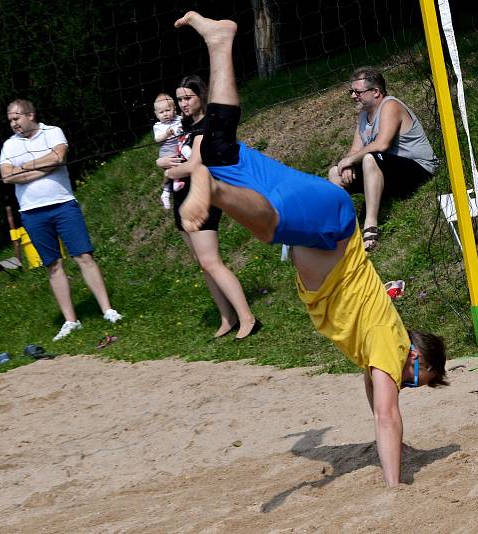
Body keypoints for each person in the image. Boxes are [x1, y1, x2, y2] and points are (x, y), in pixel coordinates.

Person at [173, 11, 448, 487]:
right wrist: (394, 485)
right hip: (332, 223)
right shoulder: (390, 342)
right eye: (413, 379)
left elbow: (373, 395)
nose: (402, 386)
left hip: (316, 222)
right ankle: (212, 189)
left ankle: (220, 41)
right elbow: (386, 417)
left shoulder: (376, 346)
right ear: (415, 355)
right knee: (267, 228)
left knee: (217, 144)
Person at [0, 99, 122, 341]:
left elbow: (58, 157)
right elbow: (6, 176)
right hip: (31, 211)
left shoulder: (52, 132)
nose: (13, 124)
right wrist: (43, 166)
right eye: (10, 120)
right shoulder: (8, 145)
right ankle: (70, 321)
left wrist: (24, 167)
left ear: (30, 115)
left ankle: (108, 310)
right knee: (52, 265)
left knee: (84, 256)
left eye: (17, 118)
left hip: (63, 205)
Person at [155, 76, 259, 339]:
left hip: (202, 197)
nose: (183, 103)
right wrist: (164, 164)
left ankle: (248, 318)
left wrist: (169, 170)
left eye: (188, 97)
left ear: (201, 96)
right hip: (182, 198)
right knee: (203, 264)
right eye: (179, 99)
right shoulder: (182, 127)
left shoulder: (206, 125)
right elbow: (171, 158)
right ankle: (228, 317)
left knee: (212, 261)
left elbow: (194, 165)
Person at [327, 67, 438, 251]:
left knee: (370, 158)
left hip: (419, 169)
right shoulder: (363, 116)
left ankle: (370, 224)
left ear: (376, 92)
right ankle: (346, 232)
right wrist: (346, 165)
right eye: (351, 92)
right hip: (389, 172)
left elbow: (382, 144)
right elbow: (354, 150)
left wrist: (351, 160)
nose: (353, 96)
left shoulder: (390, 105)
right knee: (334, 173)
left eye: (358, 92)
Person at [152, 93, 184, 210]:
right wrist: (166, 134)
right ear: (156, 114)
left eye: (168, 110)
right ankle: (174, 184)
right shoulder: (158, 126)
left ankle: (166, 192)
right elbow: (157, 140)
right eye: (161, 112)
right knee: (173, 163)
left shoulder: (178, 119)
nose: (165, 114)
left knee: (179, 160)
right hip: (167, 148)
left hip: (179, 144)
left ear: (174, 109)